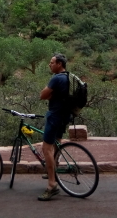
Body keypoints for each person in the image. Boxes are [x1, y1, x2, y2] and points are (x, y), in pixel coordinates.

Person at [38, 53, 70, 201]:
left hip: (54, 116)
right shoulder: (68, 77)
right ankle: (54, 172)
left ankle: (52, 185)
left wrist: (48, 92)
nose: (50, 65)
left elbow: (43, 95)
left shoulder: (56, 78)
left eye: (52, 63)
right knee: (56, 145)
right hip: (64, 117)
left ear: (59, 64)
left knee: (47, 149)